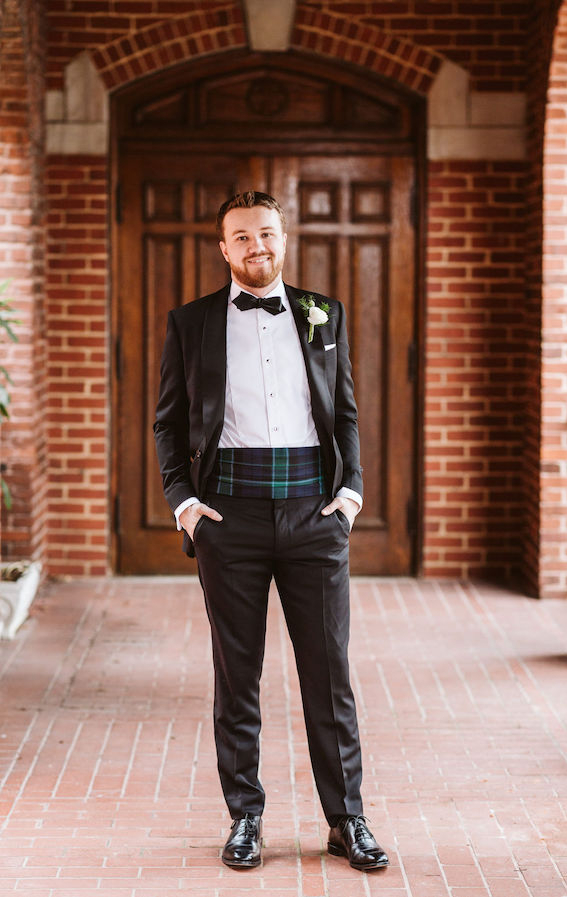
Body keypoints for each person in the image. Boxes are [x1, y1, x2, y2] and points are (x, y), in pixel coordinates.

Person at [152, 192, 388, 872]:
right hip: (232, 517)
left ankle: (348, 819)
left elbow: (344, 411)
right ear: (223, 248)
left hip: (317, 514)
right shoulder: (190, 323)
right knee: (238, 676)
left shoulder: (324, 314)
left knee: (329, 672)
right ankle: (245, 817)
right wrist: (185, 504)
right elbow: (168, 422)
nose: (257, 246)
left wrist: (349, 495)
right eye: (242, 237)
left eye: (267, 233)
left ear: (283, 239)